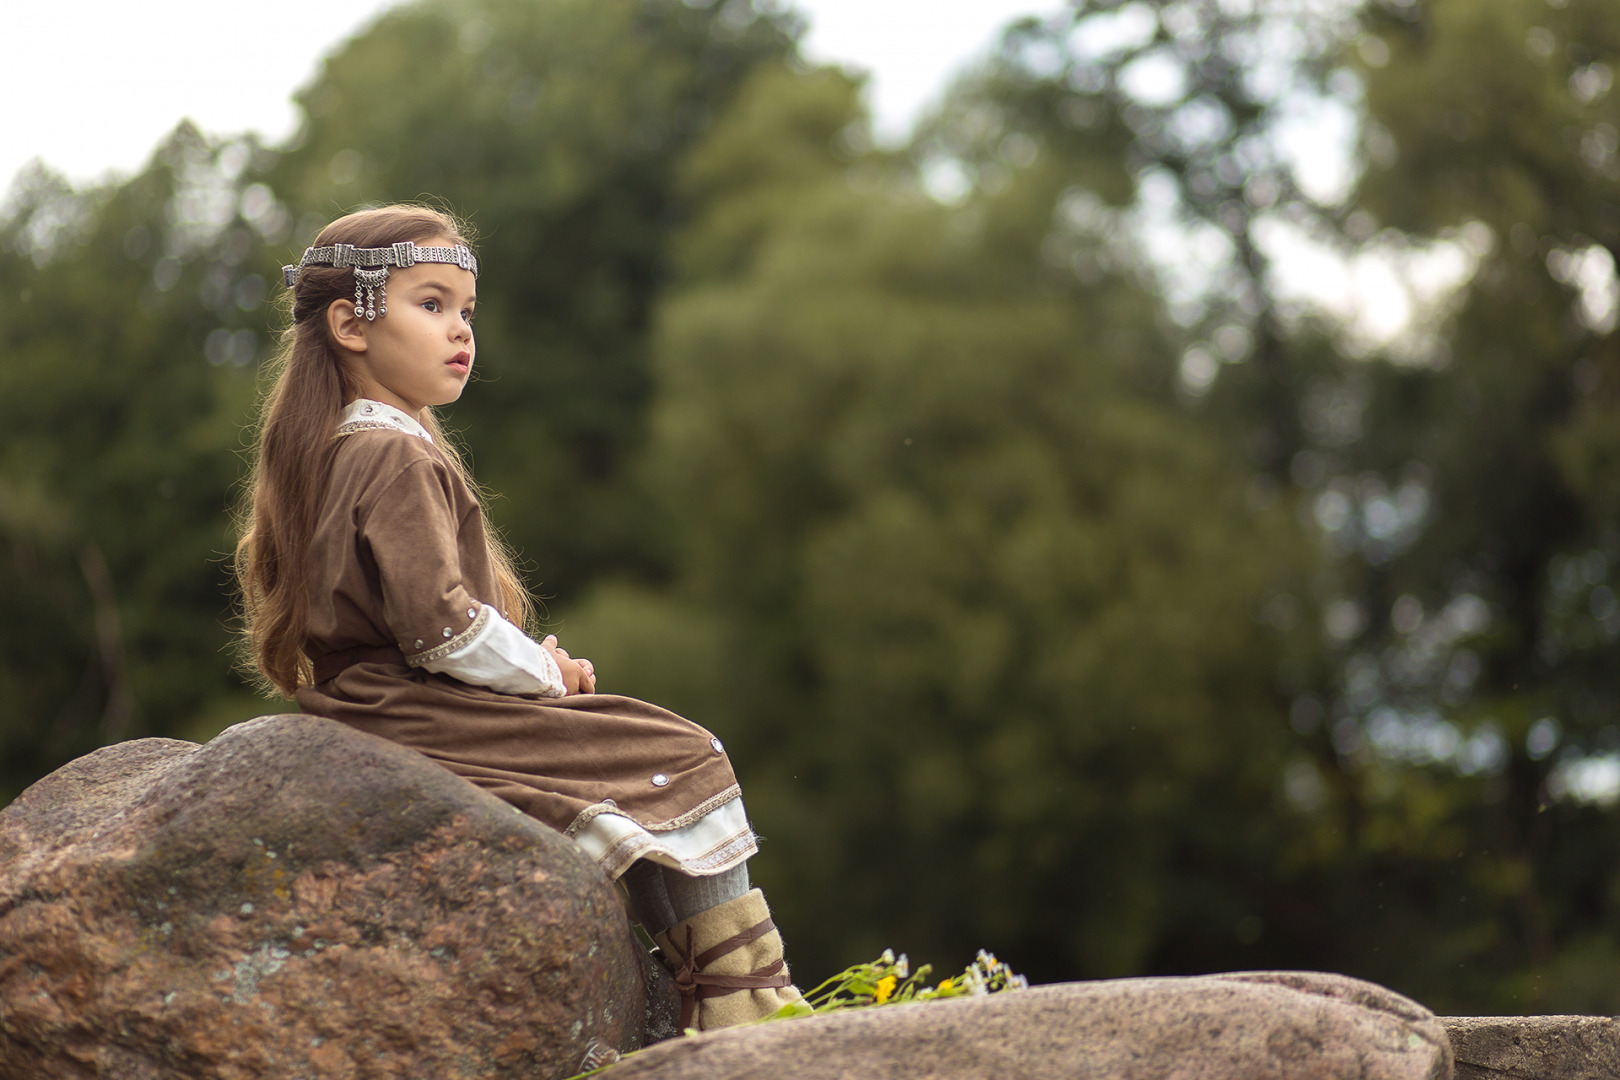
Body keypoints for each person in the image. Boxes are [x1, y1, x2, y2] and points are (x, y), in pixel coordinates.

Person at [232, 204, 798, 1030]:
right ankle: (741, 1002)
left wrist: (525, 665)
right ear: (351, 324)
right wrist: (544, 672)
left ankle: (705, 992)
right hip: (411, 708)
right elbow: (440, 629)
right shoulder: (390, 451)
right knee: (678, 751)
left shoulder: (340, 445)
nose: (460, 331)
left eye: (466, 311)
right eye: (431, 305)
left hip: (376, 703)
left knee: (624, 754)